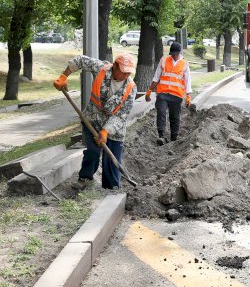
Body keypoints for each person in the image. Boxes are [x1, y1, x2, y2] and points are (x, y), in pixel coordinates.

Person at [54, 53, 137, 189]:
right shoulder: (101, 69)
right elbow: (80, 60)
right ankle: (84, 179)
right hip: (93, 119)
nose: (126, 76)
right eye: (123, 72)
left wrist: (106, 131)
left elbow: (122, 115)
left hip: (115, 128)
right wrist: (64, 76)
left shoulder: (131, 87)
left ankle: (111, 190)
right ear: (115, 66)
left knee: (112, 160)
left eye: (129, 73)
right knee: (93, 151)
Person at [145, 42, 192, 145]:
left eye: (175, 54)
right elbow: (156, 77)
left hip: (177, 95)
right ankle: (161, 136)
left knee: (174, 117)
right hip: (163, 93)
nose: (173, 56)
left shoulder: (184, 64)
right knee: (161, 112)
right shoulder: (164, 60)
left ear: (179, 52)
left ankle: (174, 138)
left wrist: (188, 95)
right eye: (172, 53)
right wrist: (149, 90)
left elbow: (188, 81)